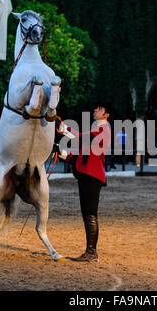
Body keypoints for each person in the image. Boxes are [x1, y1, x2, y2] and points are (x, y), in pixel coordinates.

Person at [58, 105, 111, 262]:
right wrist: (63, 154)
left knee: (90, 214)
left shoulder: (104, 129)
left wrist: (67, 129)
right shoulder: (97, 131)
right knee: (87, 214)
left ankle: (91, 252)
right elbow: (81, 154)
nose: (95, 111)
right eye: (95, 109)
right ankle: (90, 251)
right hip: (87, 176)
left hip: (92, 176)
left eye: (99, 109)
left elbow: (82, 137)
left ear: (106, 115)